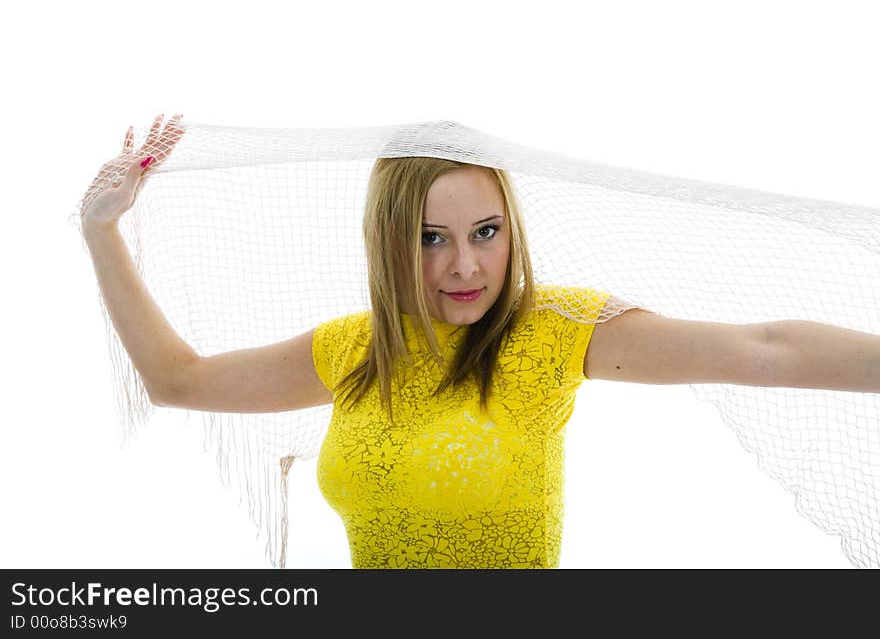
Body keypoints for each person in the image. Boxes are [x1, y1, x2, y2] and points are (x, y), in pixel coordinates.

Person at [82, 114, 880, 568]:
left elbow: (765, 346)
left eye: (486, 232)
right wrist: (101, 232)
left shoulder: (550, 332)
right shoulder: (355, 348)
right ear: (390, 241)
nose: (465, 265)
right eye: (432, 238)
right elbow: (177, 378)